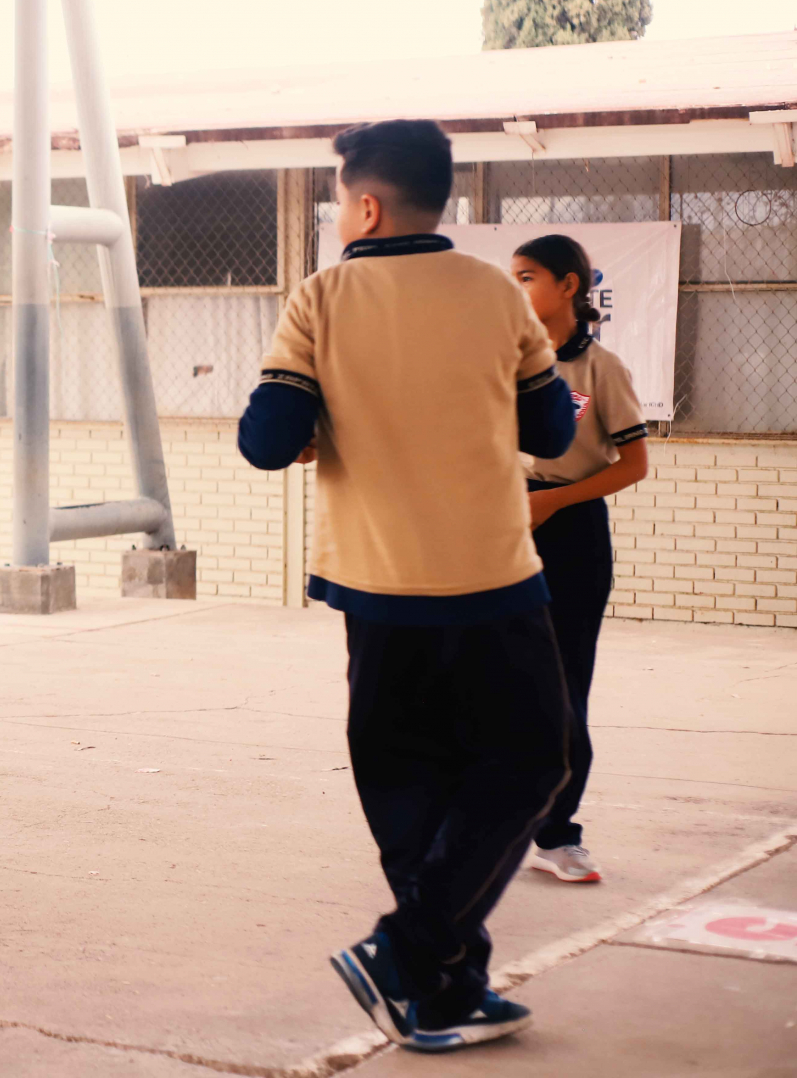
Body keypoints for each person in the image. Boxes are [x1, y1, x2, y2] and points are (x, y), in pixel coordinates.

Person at [236, 121, 579, 1052]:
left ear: (368, 205)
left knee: (409, 791)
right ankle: (430, 978)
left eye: (340, 198)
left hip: (376, 595)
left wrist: (325, 415)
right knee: (527, 763)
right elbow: (551, 432)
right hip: (495, 586)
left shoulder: (322, 297)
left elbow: (267, 440)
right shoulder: (496, 294)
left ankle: (423, 967)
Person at [511, 234, 648, 885]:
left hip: (572, 534)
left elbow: (635, 464)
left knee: (565, 690)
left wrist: (557, 501)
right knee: (496, 681)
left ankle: (558, 835)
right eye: (511, 277)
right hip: (505, 525)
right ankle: (493, 827)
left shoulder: (602, 370)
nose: (517, 290)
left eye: (528, 276)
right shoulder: (503, 361)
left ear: (568, 286)